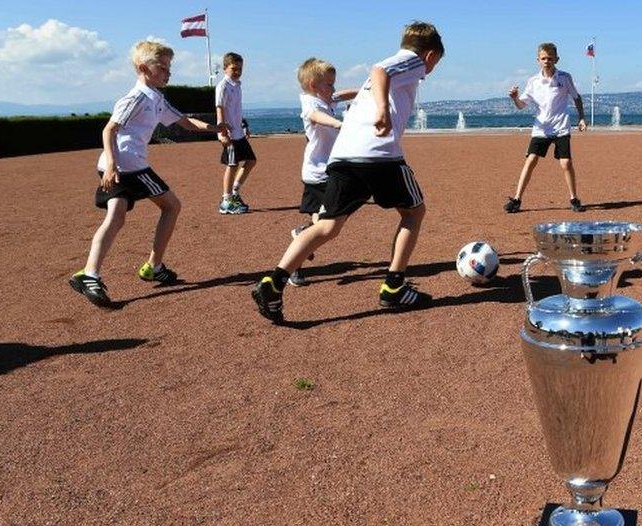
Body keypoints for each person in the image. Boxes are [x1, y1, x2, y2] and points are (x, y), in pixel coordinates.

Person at [251, 22, 444, 323]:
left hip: (342, 156)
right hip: (379, 155)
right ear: (430, 56)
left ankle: (273, 283)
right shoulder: (413, 61)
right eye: (435, 63)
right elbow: (380, 70)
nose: (430, 69)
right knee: (413, 212)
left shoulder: (395, 74)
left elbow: (378, 77)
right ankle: (394, 287)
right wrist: (382, 109)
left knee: (328, 227)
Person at [69, 41, 228, 307]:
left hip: (130, 165)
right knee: (152, 210)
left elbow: (186, 122)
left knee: (144, 211)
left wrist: (216, 128)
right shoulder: (136, 98)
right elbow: (109, 130)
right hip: (124, 166)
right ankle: (120, 270)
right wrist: (111, 165)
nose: (168, 72)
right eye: (162, 67)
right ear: (144, 68)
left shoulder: (156, 98)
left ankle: (117, 271)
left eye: (169, 66)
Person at [288, 57, 358, 286]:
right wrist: (340, 124)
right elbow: (316, 117)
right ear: (313, 86)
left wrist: (368, 89)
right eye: (329, 84)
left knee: (323, 227)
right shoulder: (311, 103)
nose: (333, 89)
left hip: (328, 171)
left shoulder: (325, 97)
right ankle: (295, 257)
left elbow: (342, 94)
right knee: (328, 228)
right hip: (318, 174)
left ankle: (300, 241)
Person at [503, 42, 587, 214]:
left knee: (566, 163)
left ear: (556, 59)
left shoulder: (565, 77)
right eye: (543, 58)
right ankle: (517, 199)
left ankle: (574, 199)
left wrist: (582, 118)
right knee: (531, 160)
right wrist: (514, 98)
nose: (547, 61)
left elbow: (576, 98)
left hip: (561, 126)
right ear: (538, 60)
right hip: (541, 128)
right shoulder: (533, 81)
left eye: (550, 58)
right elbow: (521, 105)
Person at [215, 52, 257, 214]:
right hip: (229, 133)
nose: (238, 71)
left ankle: (234, 191)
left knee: (251, 161)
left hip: (239, 132)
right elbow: (220, 107)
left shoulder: (237, 85)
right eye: (234, 68)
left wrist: (244, 125)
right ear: (226, 68)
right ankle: (226, 201)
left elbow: (236, 110)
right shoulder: (223, 86)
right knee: (232, 165)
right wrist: (221, 131)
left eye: (240, 68)